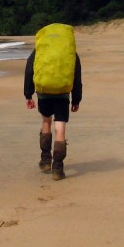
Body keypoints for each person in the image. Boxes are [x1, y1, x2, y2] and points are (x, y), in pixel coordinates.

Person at [24, 39, 83, 181]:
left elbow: (29, 70)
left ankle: (45, 161)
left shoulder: (40, 49)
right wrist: (76, 99)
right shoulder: (70, 52)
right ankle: (58, 168)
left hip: (44, 92)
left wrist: (28, 94)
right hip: (62, 93)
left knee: (46, 121)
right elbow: (76, 77)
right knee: (60, 126)